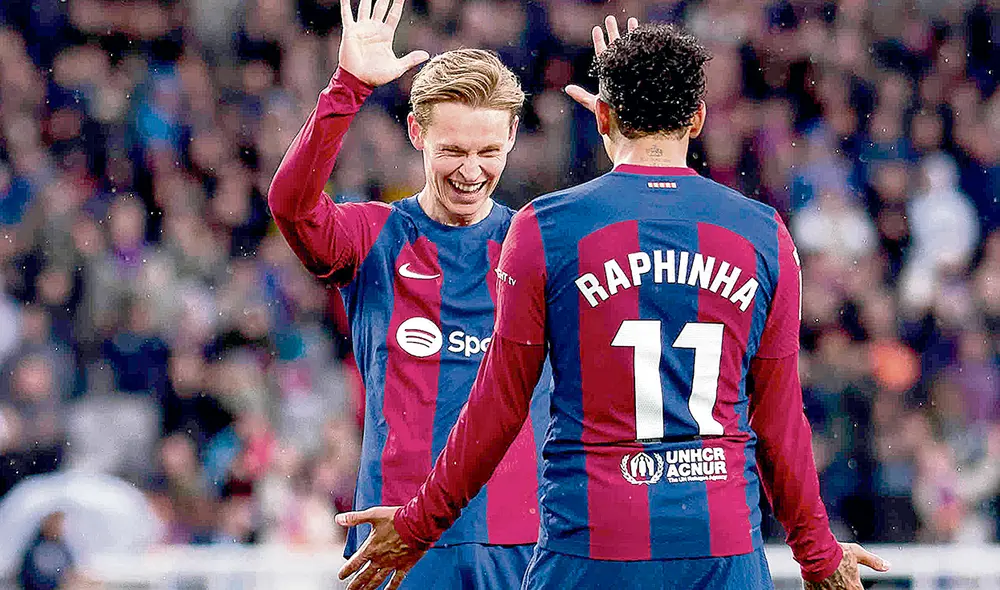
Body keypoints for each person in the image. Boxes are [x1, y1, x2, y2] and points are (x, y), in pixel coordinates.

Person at [336, 17, 892, 590]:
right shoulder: (764, 234)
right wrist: (817, 554)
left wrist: (419, 525)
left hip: (590, 549)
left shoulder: (547, 228)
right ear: (698, 119)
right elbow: (779, 422)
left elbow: (497, 409)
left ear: (602, 116)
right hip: (720, 548)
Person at [266, 0, 547, 588]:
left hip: (520, 538)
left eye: (488, 152)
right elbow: (290, 205)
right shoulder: (375, 237)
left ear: (512, 137)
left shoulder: (539, 245)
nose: (471, 171)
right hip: (396, 534)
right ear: (417, 133)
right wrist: (347, 88)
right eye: (453, 151)